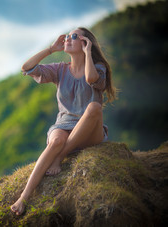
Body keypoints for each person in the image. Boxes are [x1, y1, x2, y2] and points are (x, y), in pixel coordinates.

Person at [10, 27, 117, 216]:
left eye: (74, 37)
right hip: (64, 125)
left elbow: (92, 79)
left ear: (85, 43)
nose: (68, 38)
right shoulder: (60, 69)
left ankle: (60, 157)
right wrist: (51, 49)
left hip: (90, 131)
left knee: (94, 107)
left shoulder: (97, 68)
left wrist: (87, 54)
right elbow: (26, 68)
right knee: (55, 140)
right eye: (67, 36)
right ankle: (23, 197)